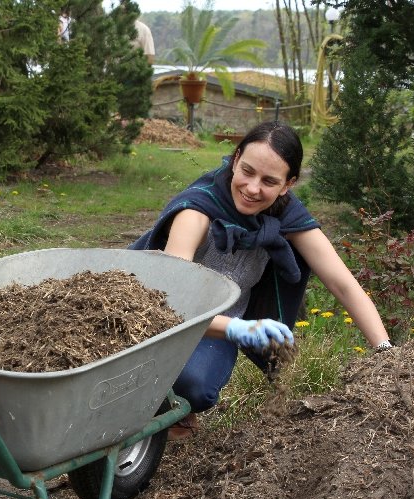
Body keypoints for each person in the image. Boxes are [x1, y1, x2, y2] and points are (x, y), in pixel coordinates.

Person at [129, 121, 393, 440]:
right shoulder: (198, 210)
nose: (253, 188)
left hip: (214, 326)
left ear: (287, 184)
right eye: (247, 171)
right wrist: (237, 329)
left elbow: (343, 284)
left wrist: (385, 351)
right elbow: (168, 303)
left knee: (196, 387)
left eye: (269, 180)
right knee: (144, 368)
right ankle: (148, 402)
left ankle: (176, 404)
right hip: (154, 317)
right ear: (236, 158)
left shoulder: (286, 216)